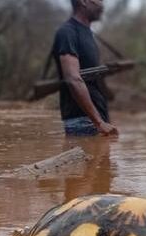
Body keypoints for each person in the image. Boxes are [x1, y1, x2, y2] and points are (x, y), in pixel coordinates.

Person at [52, 0, 118, 136]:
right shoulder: (67, 32)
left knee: (100, 158)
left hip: (94, 120)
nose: (102, 5)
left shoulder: (87, 33)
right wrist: (99, 123)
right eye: (99, 0)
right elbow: (73, 79)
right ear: (83, 2)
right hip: (83, 122)